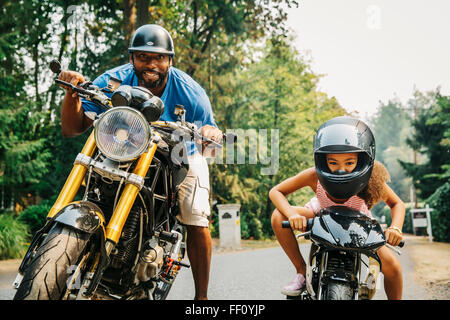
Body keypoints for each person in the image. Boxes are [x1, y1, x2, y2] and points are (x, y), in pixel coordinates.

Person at [58, 24, 223, 300]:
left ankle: (202, 297)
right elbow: (71, 129)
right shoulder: (112, 81)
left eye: (159, 57)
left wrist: (211, 133)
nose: (151, 64)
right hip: (123, 147)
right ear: (132, 58)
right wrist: (71, 94)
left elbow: (211, 136)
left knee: (195, 214)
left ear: (170, 60)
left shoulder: (191, 93)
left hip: (179, 151)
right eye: (143, 57)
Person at [269, 116, 405, 300]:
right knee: (278, 216)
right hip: (320, 214)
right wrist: (292, 214)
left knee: (393, 268)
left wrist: (395, 228)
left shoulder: (371, 178)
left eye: (349, 163)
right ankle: (301, 272)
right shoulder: (314, 175)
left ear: (363, 158)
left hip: (360, 224)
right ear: (323, 160)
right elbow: (276, 191)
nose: (341, 169)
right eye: (333, 163)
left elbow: (397, 204)